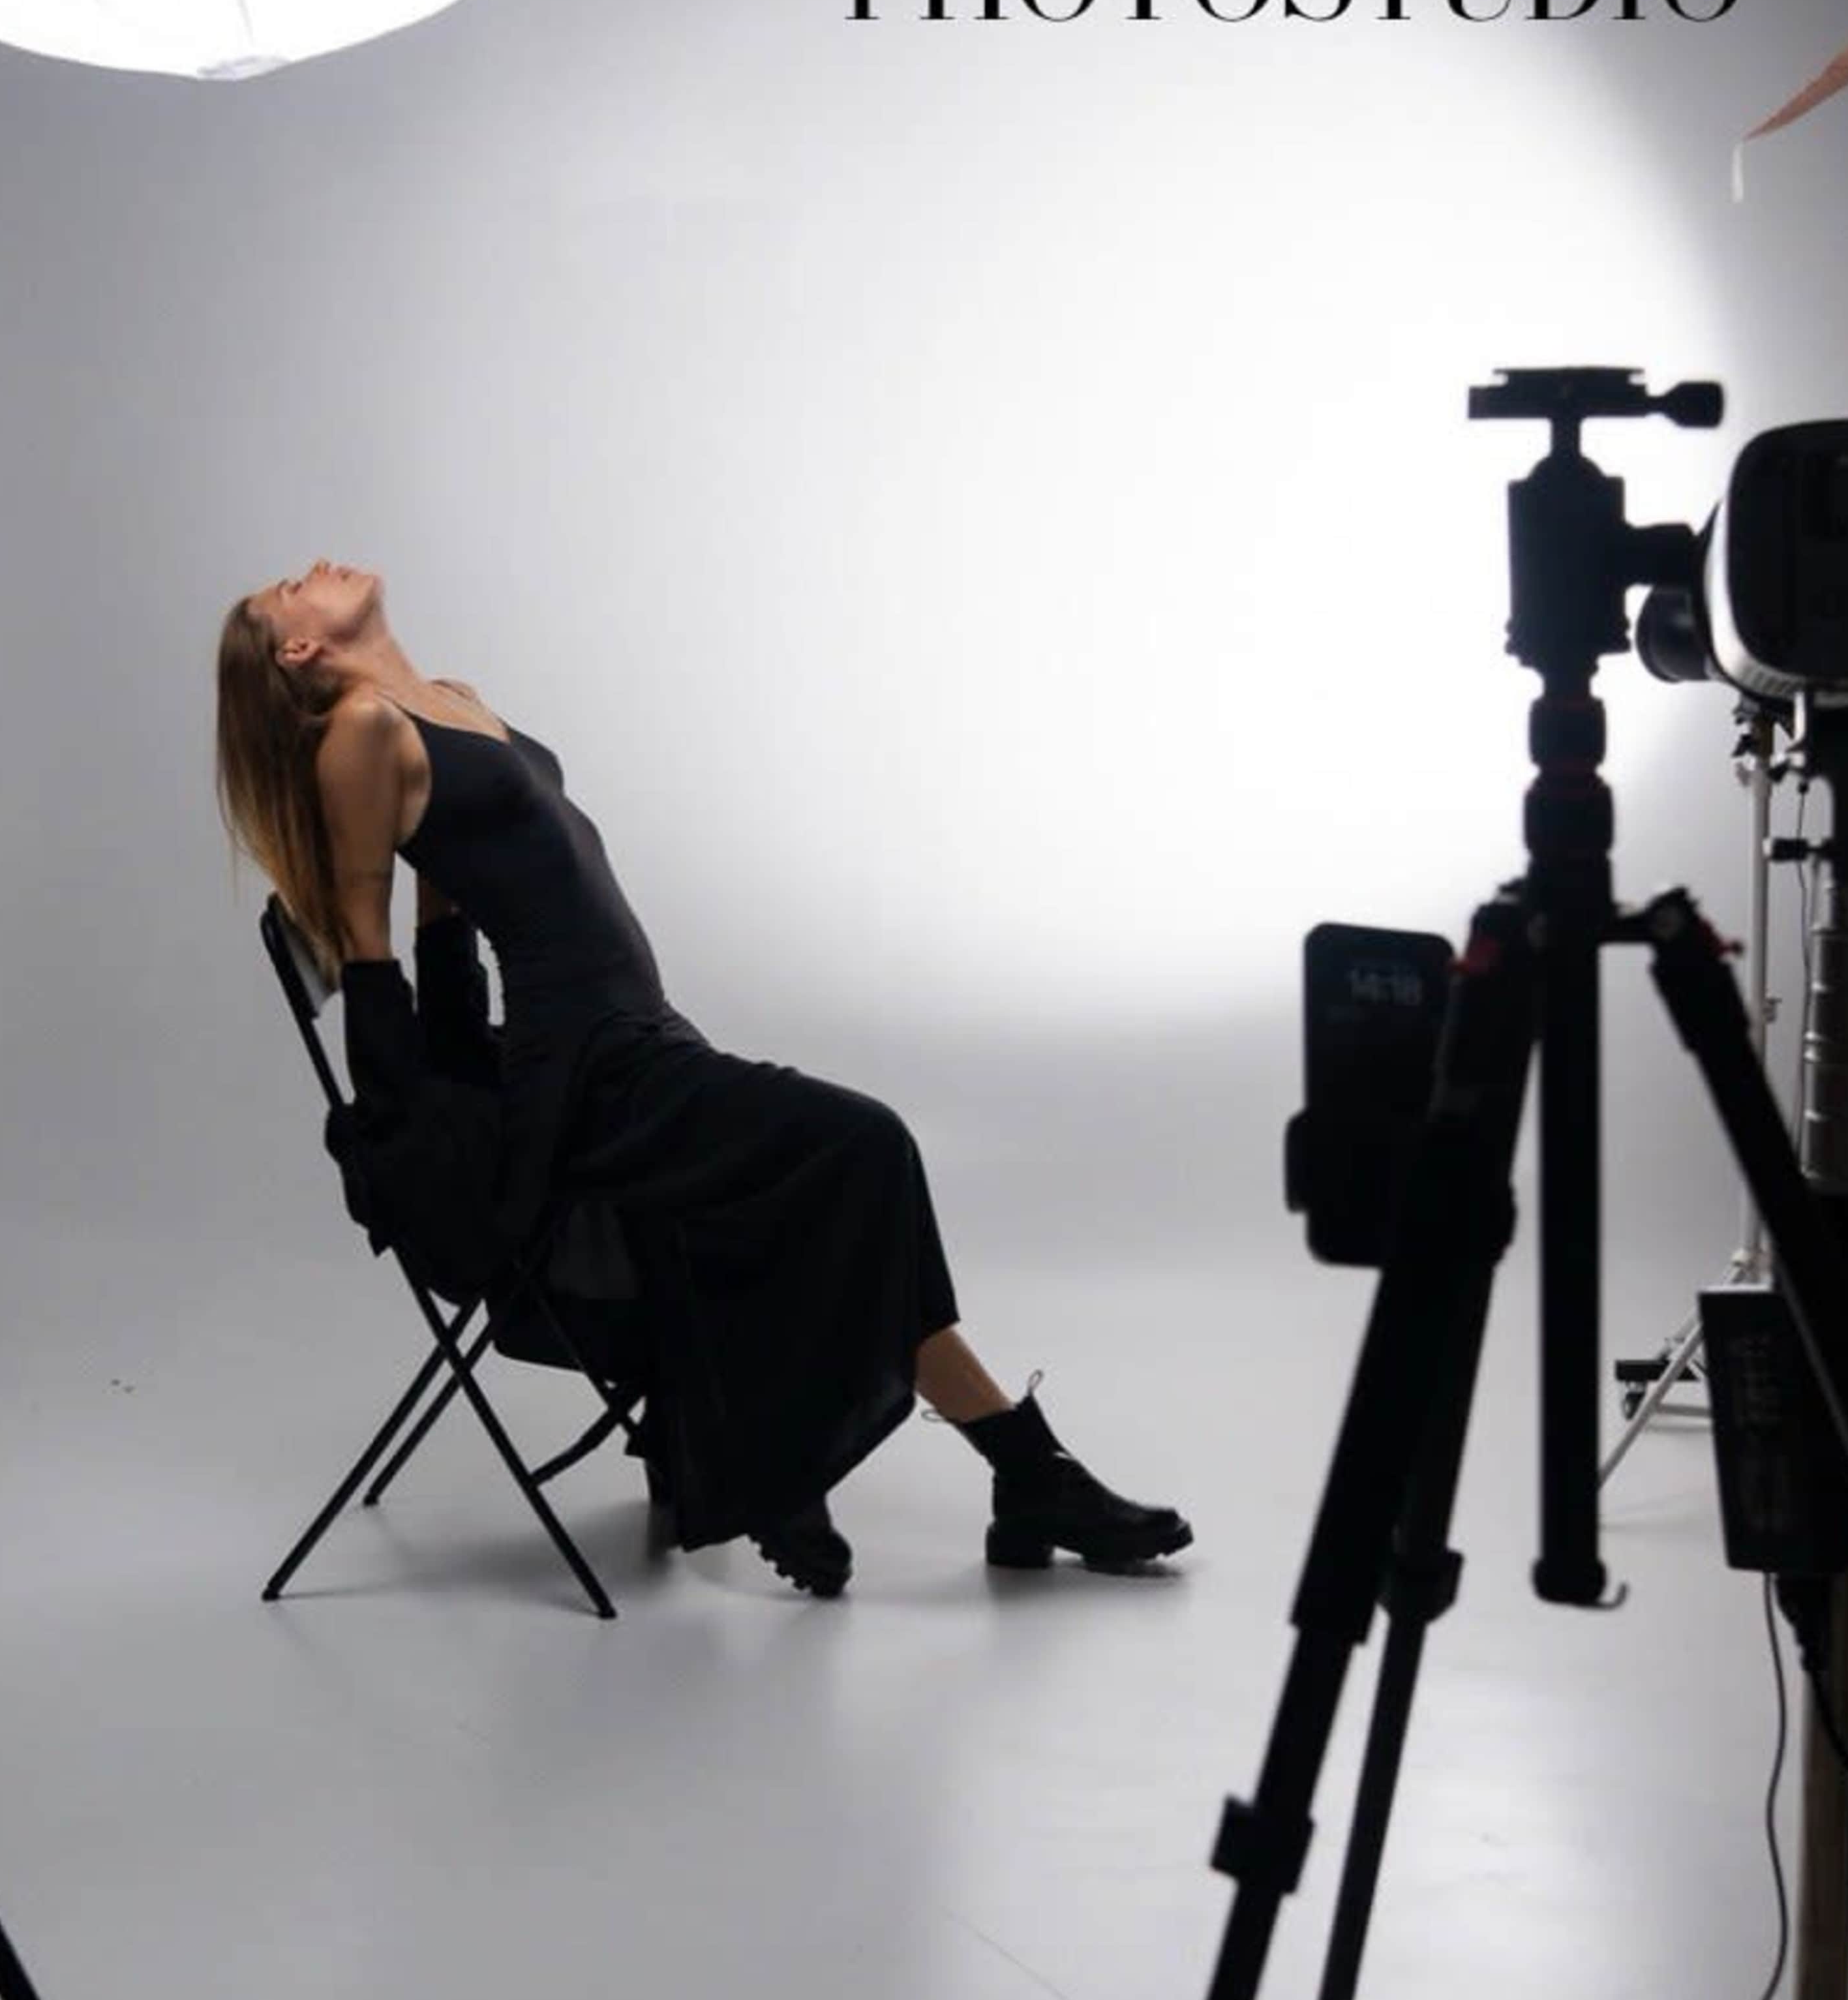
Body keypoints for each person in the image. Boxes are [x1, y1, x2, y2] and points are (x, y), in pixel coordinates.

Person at [215, 559, 1190, 1598]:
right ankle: (988, 1467)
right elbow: (375, 952)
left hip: (639, 1039)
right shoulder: (361, 732)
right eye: (284, 590)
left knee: (819, 1183)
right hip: (591, 1075)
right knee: (865, 1144)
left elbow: (447, 892)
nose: (307, 571)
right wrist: (425, 1137)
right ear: (299, 651)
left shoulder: (447, 700)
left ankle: (968, 1466)